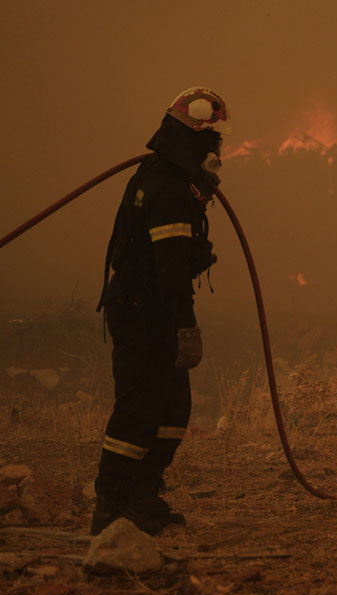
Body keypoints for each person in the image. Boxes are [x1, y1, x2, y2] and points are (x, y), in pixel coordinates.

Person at [90, 87, 229, 535]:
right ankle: (111, 506)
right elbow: (170, 269)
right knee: (138, 412)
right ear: (191, 139)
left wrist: (200, 195)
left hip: (154, 312)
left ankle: (143, 496)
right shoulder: (166, 188)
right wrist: (186, 327)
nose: (216, 149)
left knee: (172, 411)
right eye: (210, 140)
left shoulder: (172, 181)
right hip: (143, 313)